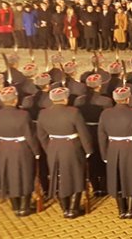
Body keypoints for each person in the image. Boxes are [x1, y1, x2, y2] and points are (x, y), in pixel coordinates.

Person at [36, 87, 95, 219]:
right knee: (76, 176)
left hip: (53, 148)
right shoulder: (74, 112)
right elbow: (83, 133)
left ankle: (65, 208)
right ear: (65, 99)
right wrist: (88, 150)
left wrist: (49, 148)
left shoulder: (43, 113)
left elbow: (41, 135)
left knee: (59, 178)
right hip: (72, 147)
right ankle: (73, 209)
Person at [0, 86, 41, 217]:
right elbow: (30, 136)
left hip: (4, 148)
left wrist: (0, 150)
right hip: (21, 148)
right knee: (25, 175)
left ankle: (15, 206)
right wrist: (36, 152)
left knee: (9, 177)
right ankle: (25, 207)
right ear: (15, 99)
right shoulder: (23, 115)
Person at [97, 86, 132, 219]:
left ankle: (121, 210)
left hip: (113, 148)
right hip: (130, 147)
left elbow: (101, 136)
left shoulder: (105, 113)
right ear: (128, 98)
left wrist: (104, 154)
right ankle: (131, 210)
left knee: (117, 178)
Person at [75, 73, 113, 197]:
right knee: (103, 158)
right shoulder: (106, 101)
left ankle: (95, 186)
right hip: (100, 131)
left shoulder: (79, 100)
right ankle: (103, 186)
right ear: (99, 85)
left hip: (85, 131)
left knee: (90, 159)